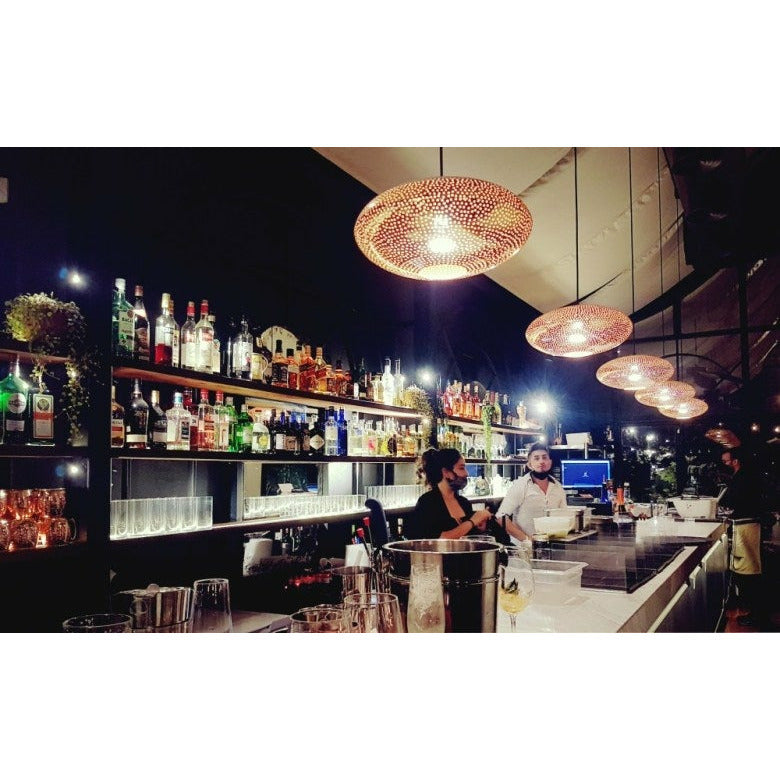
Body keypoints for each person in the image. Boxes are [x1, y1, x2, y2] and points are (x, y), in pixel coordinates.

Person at [407, 448, 525, 543]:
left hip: (465, 563)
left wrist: (480, 527)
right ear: (446, 472)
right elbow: (440, 540)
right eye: (461, 468)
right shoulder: (428, 502)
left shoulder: (463, 502)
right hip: (439, 564)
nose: (466, 473)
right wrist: (473, 521)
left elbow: (467, 537)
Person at [720, 446, 765, 627]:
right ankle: (754, 610)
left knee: (749, 568)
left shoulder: (742, 478)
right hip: (749, 524)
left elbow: (733, 500)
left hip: (747, 526)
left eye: (726, 461)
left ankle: (757, 614)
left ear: (736, 461)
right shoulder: (745, 476)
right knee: (749, 567)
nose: (725, 464)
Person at [495, 442, 567, 542]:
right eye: (536, 458)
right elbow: (501, 517)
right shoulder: (520, 485)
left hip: (551, 545)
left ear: (550, 462)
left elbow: (564, 516)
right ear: (529, 464)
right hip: (523, 547)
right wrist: (527, 540)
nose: (541, 461)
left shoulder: (558, 487)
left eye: (544, 457)